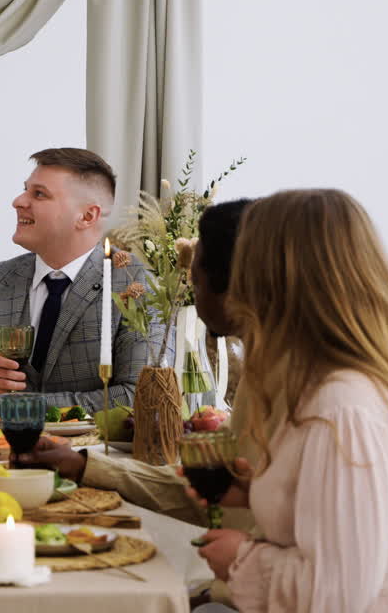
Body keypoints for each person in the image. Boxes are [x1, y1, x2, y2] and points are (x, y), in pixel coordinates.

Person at [194, 189, 388, 611]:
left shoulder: (342, 407)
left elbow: (334, 599)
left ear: (273, 285)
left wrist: (242, 558)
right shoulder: (320, 388)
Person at [15, 198, 254, 522]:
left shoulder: (313, 399)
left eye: (195, 281)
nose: (192, 299)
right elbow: (204, 494)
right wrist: (84, 465)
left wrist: (246, 554)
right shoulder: (261, 378)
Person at [0, 148, 166, 425]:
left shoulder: (135, 285)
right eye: (25, 190)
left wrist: (22, 408)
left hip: (87, 463)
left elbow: (140, 395)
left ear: (87, 216)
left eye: (39, 194)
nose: (18, 201)